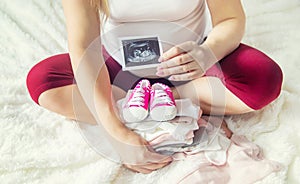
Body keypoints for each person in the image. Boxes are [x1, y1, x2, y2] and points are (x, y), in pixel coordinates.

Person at [26, 0, 283, 174]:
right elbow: (83, 45)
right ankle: (144, 100)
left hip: (189, 69)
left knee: (265, 79)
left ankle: (170, 97)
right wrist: (115, 132)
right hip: (118, 72)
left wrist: (206, 53)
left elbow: (230, 18)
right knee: (43, 82)